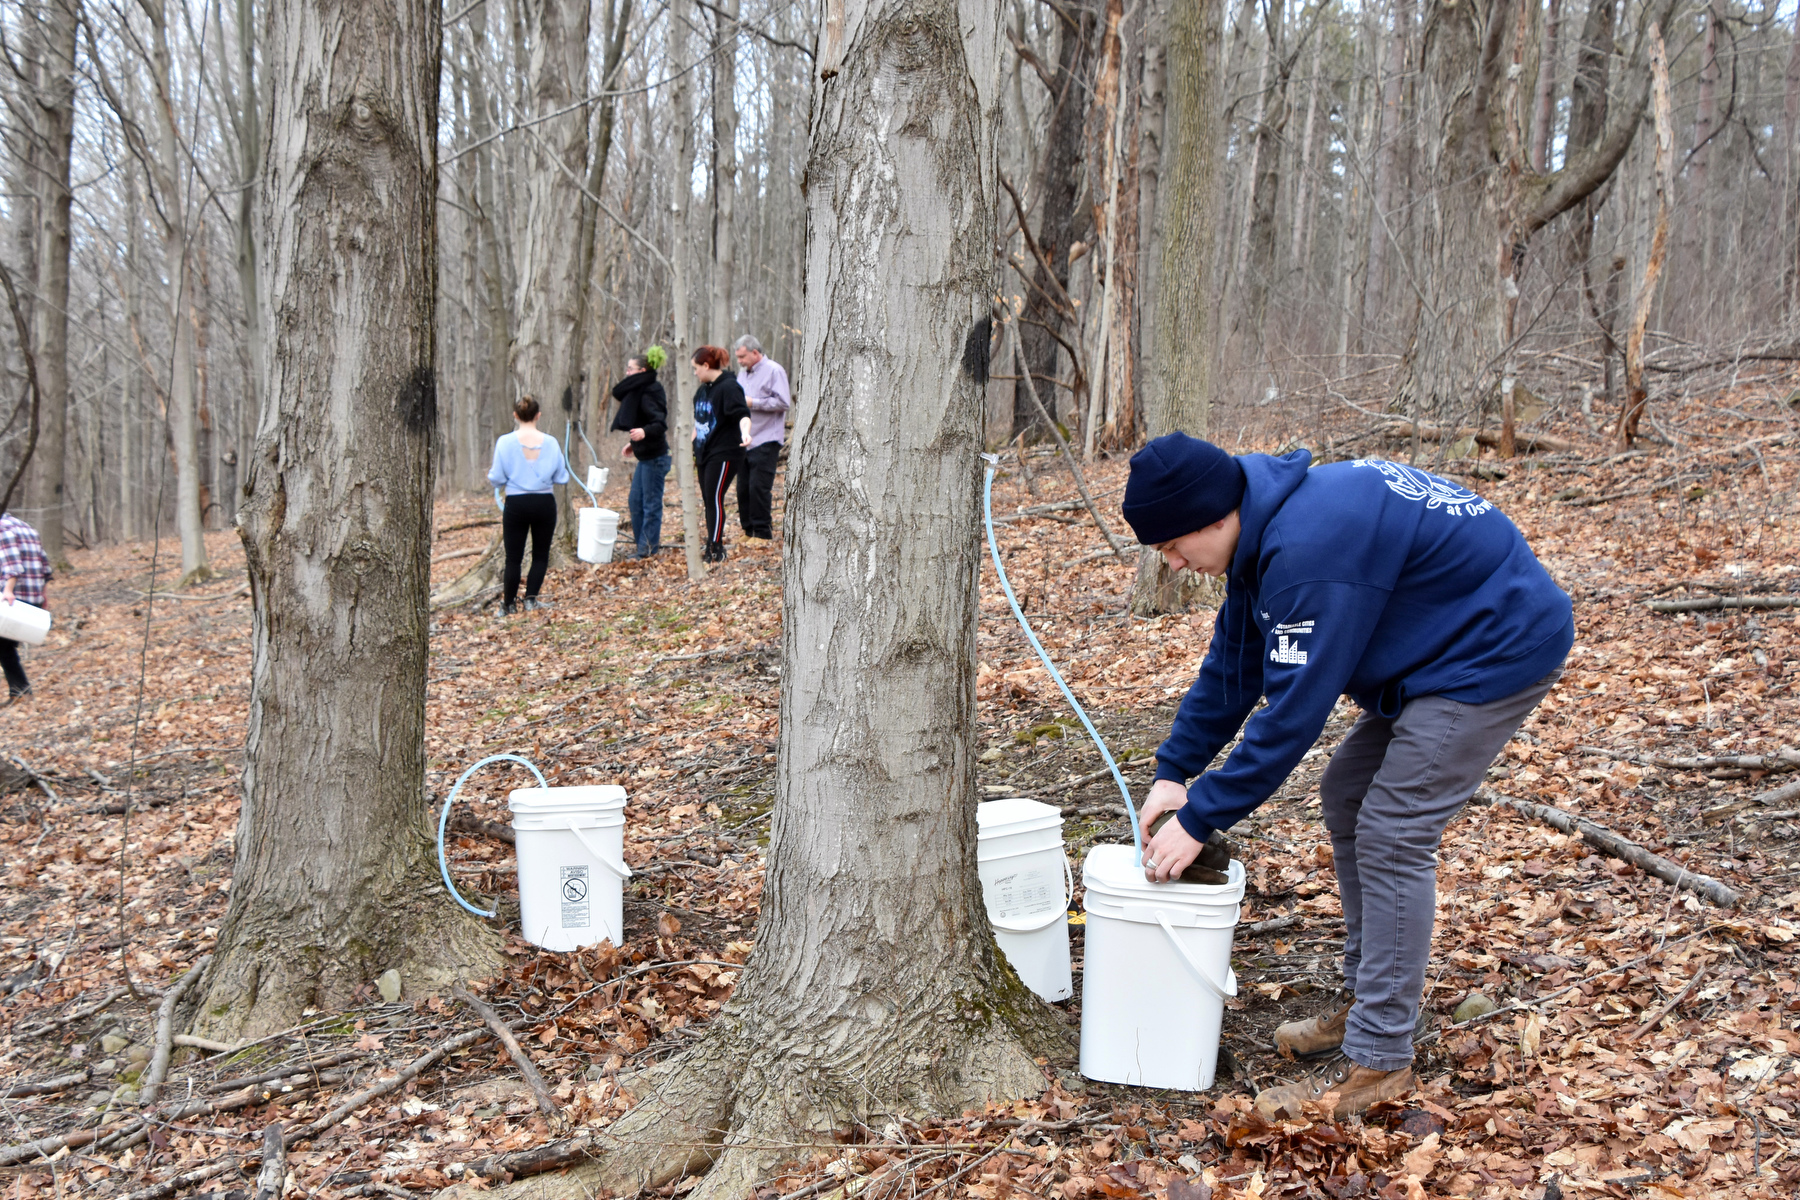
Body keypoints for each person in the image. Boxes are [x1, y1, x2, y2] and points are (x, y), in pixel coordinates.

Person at [1120, 433, 1573, 1121]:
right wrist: (1175, 771)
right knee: (1348, 792)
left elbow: (1293, 713)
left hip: (1494, 649)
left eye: (1174, 547)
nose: (1175, 564)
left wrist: (1199, 817)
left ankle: (1381, 1060)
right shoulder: (1260, 533)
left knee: (1394, 829)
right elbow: (1235, 664)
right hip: (1439, 650)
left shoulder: (1308, 551)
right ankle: (1372, 999)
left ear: (1215, 515)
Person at [487, 395, 570, 614]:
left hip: (516, 503)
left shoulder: (505, 442)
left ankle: (508, 605)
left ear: (515, 415)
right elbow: (562, 477)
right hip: (544, 503)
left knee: (513, 557)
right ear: (538, 415)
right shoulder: (551, 442)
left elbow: (496, 478)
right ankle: (531, 599)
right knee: (540, 555)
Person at [689, 345, 751, 564]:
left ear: (706, 365)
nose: (694, 373)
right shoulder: (702, 391)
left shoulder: (730, 387)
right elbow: (697, 422)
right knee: (708, 499)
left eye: (696, 368)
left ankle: (715, 548)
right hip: (704, 452)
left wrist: (745, 433)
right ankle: (712, 544)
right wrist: (691, 444)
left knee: (714, 498)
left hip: (725, 452)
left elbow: (742, 414)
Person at [611, 346, 671, 559]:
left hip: (656, 458)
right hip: (644, 457)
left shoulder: (651, 390)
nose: (627, 373)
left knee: (650, 504)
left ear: (643, 371)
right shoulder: (637, 390)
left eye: (631, 369)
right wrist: (633, 442)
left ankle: (647, 551)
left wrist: (644, 432)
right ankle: (641, 546)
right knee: (635, 502)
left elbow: (659, 423)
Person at [732, 335, 790, 542]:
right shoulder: (742, 374)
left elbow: (784, 403)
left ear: (755, 353)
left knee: (759, 487)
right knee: (743, 488)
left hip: (767, 438)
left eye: (742, 356)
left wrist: (753, 403)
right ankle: (748, 531)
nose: (739, 361)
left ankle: (762, 533)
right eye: (737, 357)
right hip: (745, 438)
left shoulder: (774, 370)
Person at [0, 512, 51, 703]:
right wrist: (43, 596)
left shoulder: (3, 528)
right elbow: (45, 568)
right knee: (5, 647)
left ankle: (21, 691)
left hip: (12, 600)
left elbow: (13, 565)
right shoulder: (27, 528)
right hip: (32, 597)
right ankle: (20, 691)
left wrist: (8, 591)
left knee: (4, 647)